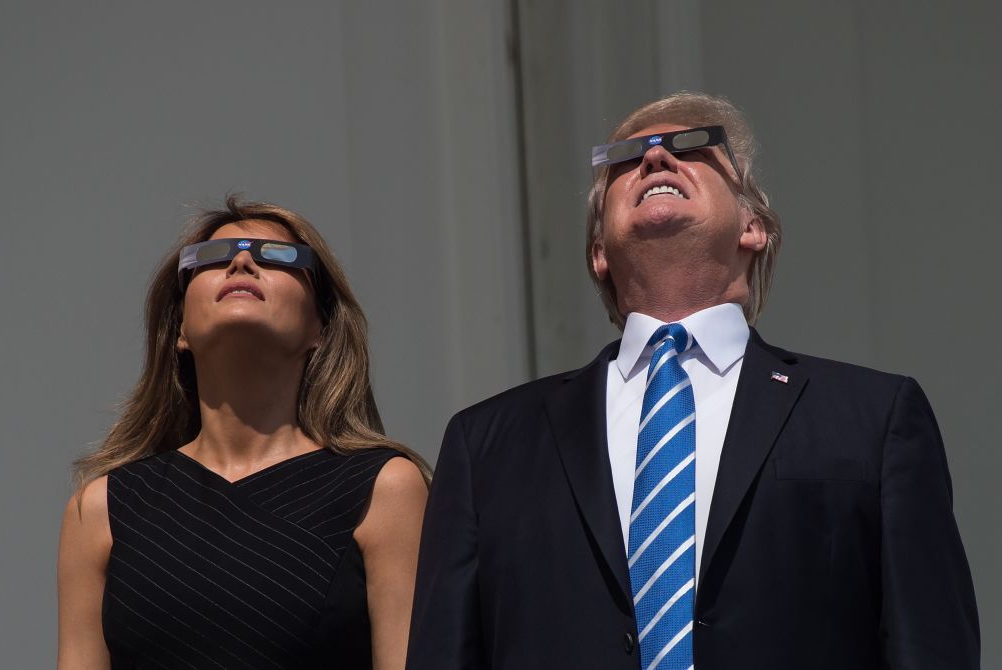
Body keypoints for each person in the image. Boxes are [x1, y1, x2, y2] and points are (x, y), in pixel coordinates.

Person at [407, 93, 979, 669]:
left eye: (692, 146)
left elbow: (929, 645)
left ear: (753, 226)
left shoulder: (873, 418)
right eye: (626, 158)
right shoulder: (487, 445)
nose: (655, 158)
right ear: (598, 251)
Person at [58, 197, 429, 669]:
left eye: (278, 256)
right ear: (180, 330)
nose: (241, 261)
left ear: (320, 326)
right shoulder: (102, 507)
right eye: (211, 259)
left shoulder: (385, 488)